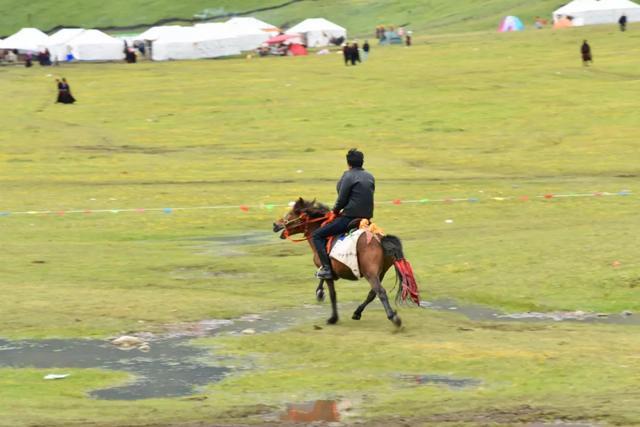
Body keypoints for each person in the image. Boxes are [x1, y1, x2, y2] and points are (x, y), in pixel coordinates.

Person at [312, 149, 375, 279]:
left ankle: (327, 269)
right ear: (362, 162)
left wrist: (334, 211)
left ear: (348, 163)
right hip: (366, 220)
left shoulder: (348, 176)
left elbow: (341, 199)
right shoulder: (370, 176)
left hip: (349, 219)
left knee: (317, 235)